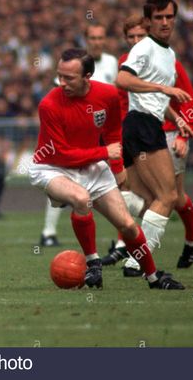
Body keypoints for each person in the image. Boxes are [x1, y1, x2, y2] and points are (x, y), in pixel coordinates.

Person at [29, 48, 185, 289]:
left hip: (92, 166)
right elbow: (60, 153)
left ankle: (153, 277)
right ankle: (93, 264)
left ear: (87, 76)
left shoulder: (108, 95)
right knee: (81, 198)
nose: (62, 83)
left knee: (129, 227)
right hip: (53, 167)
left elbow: (113, 133)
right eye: (60, 76)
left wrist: (117, 166)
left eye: (69, 78)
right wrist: (105, 154)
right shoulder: (49, 104)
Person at [102, 14, 193, 272]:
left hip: (164, 132)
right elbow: (131, 93)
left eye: (140, 36)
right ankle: (135, 256)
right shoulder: (128, 62)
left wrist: (183, 128)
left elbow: (187, 97)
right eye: (131, 37)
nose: (136, 40)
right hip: (137, 131)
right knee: (158, 197)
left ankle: (190, 240)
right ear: (125, 40)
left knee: (169, 197)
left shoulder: (167, 57)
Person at [39, 24, 119, 247]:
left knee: (117, 186)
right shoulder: (71, 69)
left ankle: (121, 241)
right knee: (62, 181)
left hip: (101, 130)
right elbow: (63, 98)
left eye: (100, 37)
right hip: (76, 132)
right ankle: (48, 230)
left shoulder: (112, 63)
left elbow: (112, 98)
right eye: (92, 38)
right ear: (86, 40)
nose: (97, 42)